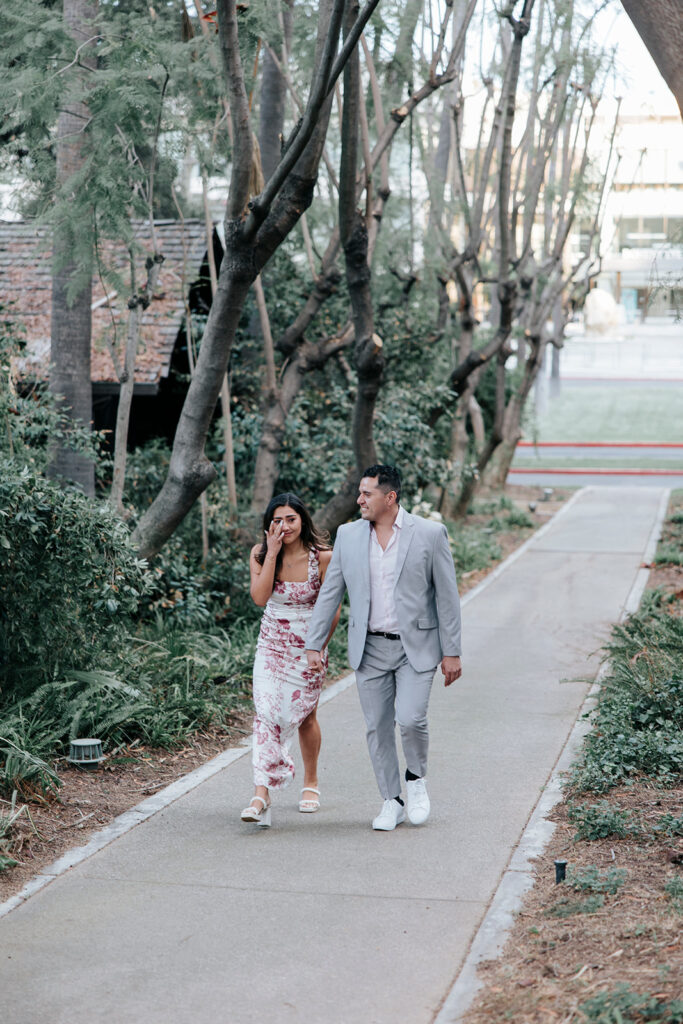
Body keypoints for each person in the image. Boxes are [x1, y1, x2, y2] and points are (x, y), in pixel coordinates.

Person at [305, 465, 462, 831]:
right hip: (370, 647)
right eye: (359, 493)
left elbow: (448, 597)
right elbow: (331, 593)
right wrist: (315, 643)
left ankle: (416, 780)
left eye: (367, 494)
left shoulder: (430, 533)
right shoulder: (348, 535)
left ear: (389, 497)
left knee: (410, 718)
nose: (359, 500)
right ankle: (390, 800)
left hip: (416, 647)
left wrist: (452, 651)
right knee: (377, 727)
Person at [241, 493, 339, 828]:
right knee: (266, 712)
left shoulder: (323, 558)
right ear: (270, 525)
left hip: (308, 645)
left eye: (291, 519)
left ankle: (310, 783)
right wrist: (271, 554)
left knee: (306, 716)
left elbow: (332, 611)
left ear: (303, 520)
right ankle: (261, 792)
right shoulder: (259, 553)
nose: (285, 526)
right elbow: (259, 598)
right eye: (277, 520)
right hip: (271, 644)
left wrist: (319, 648)